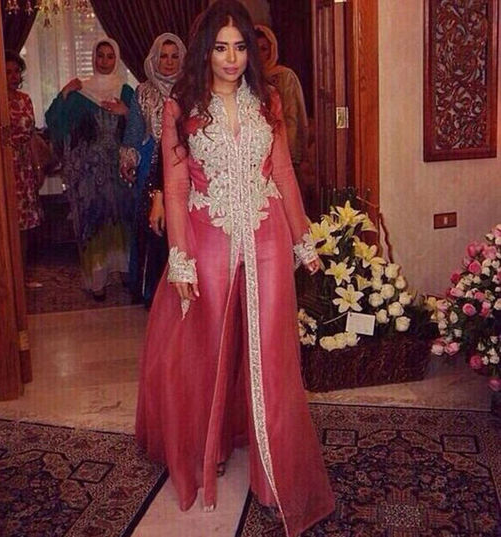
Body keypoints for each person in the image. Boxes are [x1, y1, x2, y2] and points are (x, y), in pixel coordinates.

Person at [135, 2, 335, 536]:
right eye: (221, 47)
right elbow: (176, 187)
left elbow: (284, 173)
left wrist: (303, 239)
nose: (231, 58)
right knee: (209, 349)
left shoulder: (267, 100)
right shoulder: (181, 105)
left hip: (267, 234)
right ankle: (209, 447)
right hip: (207, 237)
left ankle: (275, 476)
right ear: (207, 50)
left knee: (271, 352)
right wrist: (180, 259)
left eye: (240, 47)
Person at [45, 38, 135, 300]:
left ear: (116, 59)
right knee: (93, 221)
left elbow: (142, 127)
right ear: (94, 58)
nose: (104, 61)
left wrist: (126, 112)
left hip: (120, 170)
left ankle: (125, 272)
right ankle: (97, 281)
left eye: (110, 56)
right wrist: (64, 93)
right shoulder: (81, 92)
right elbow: (54, 121)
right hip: (89, 172)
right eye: (100, 55)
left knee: (123, 219)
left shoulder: (126, 91)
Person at [121, 33, 186, 307]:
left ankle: (183, 288)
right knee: (153, 229)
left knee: (181, 227)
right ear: (154, 59)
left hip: (182, 164)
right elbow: (134, 132)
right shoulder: (143, 92)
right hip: (150, 167)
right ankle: (152, 293)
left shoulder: (190, 89)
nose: (169, 62)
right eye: (163, 56)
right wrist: (129, 160)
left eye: (174, 56)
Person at [5, 50, 44, 289]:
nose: (13, 76)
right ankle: (8, 276)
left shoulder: (25, 99)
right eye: (7, 72)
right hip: (6, 166)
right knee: (9, 223)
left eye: (16, 71)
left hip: (25, 166)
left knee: (26, 226)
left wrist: (37, 166)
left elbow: (31, 136)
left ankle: (22, 275)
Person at [254, 25, 308, 175]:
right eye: (255, 49)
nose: (259, 54)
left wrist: (288, 154)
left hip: (282, 150)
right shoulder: (243, 79)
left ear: (272, 50)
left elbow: (291, 118)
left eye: (264, 49)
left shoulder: (284, 76)